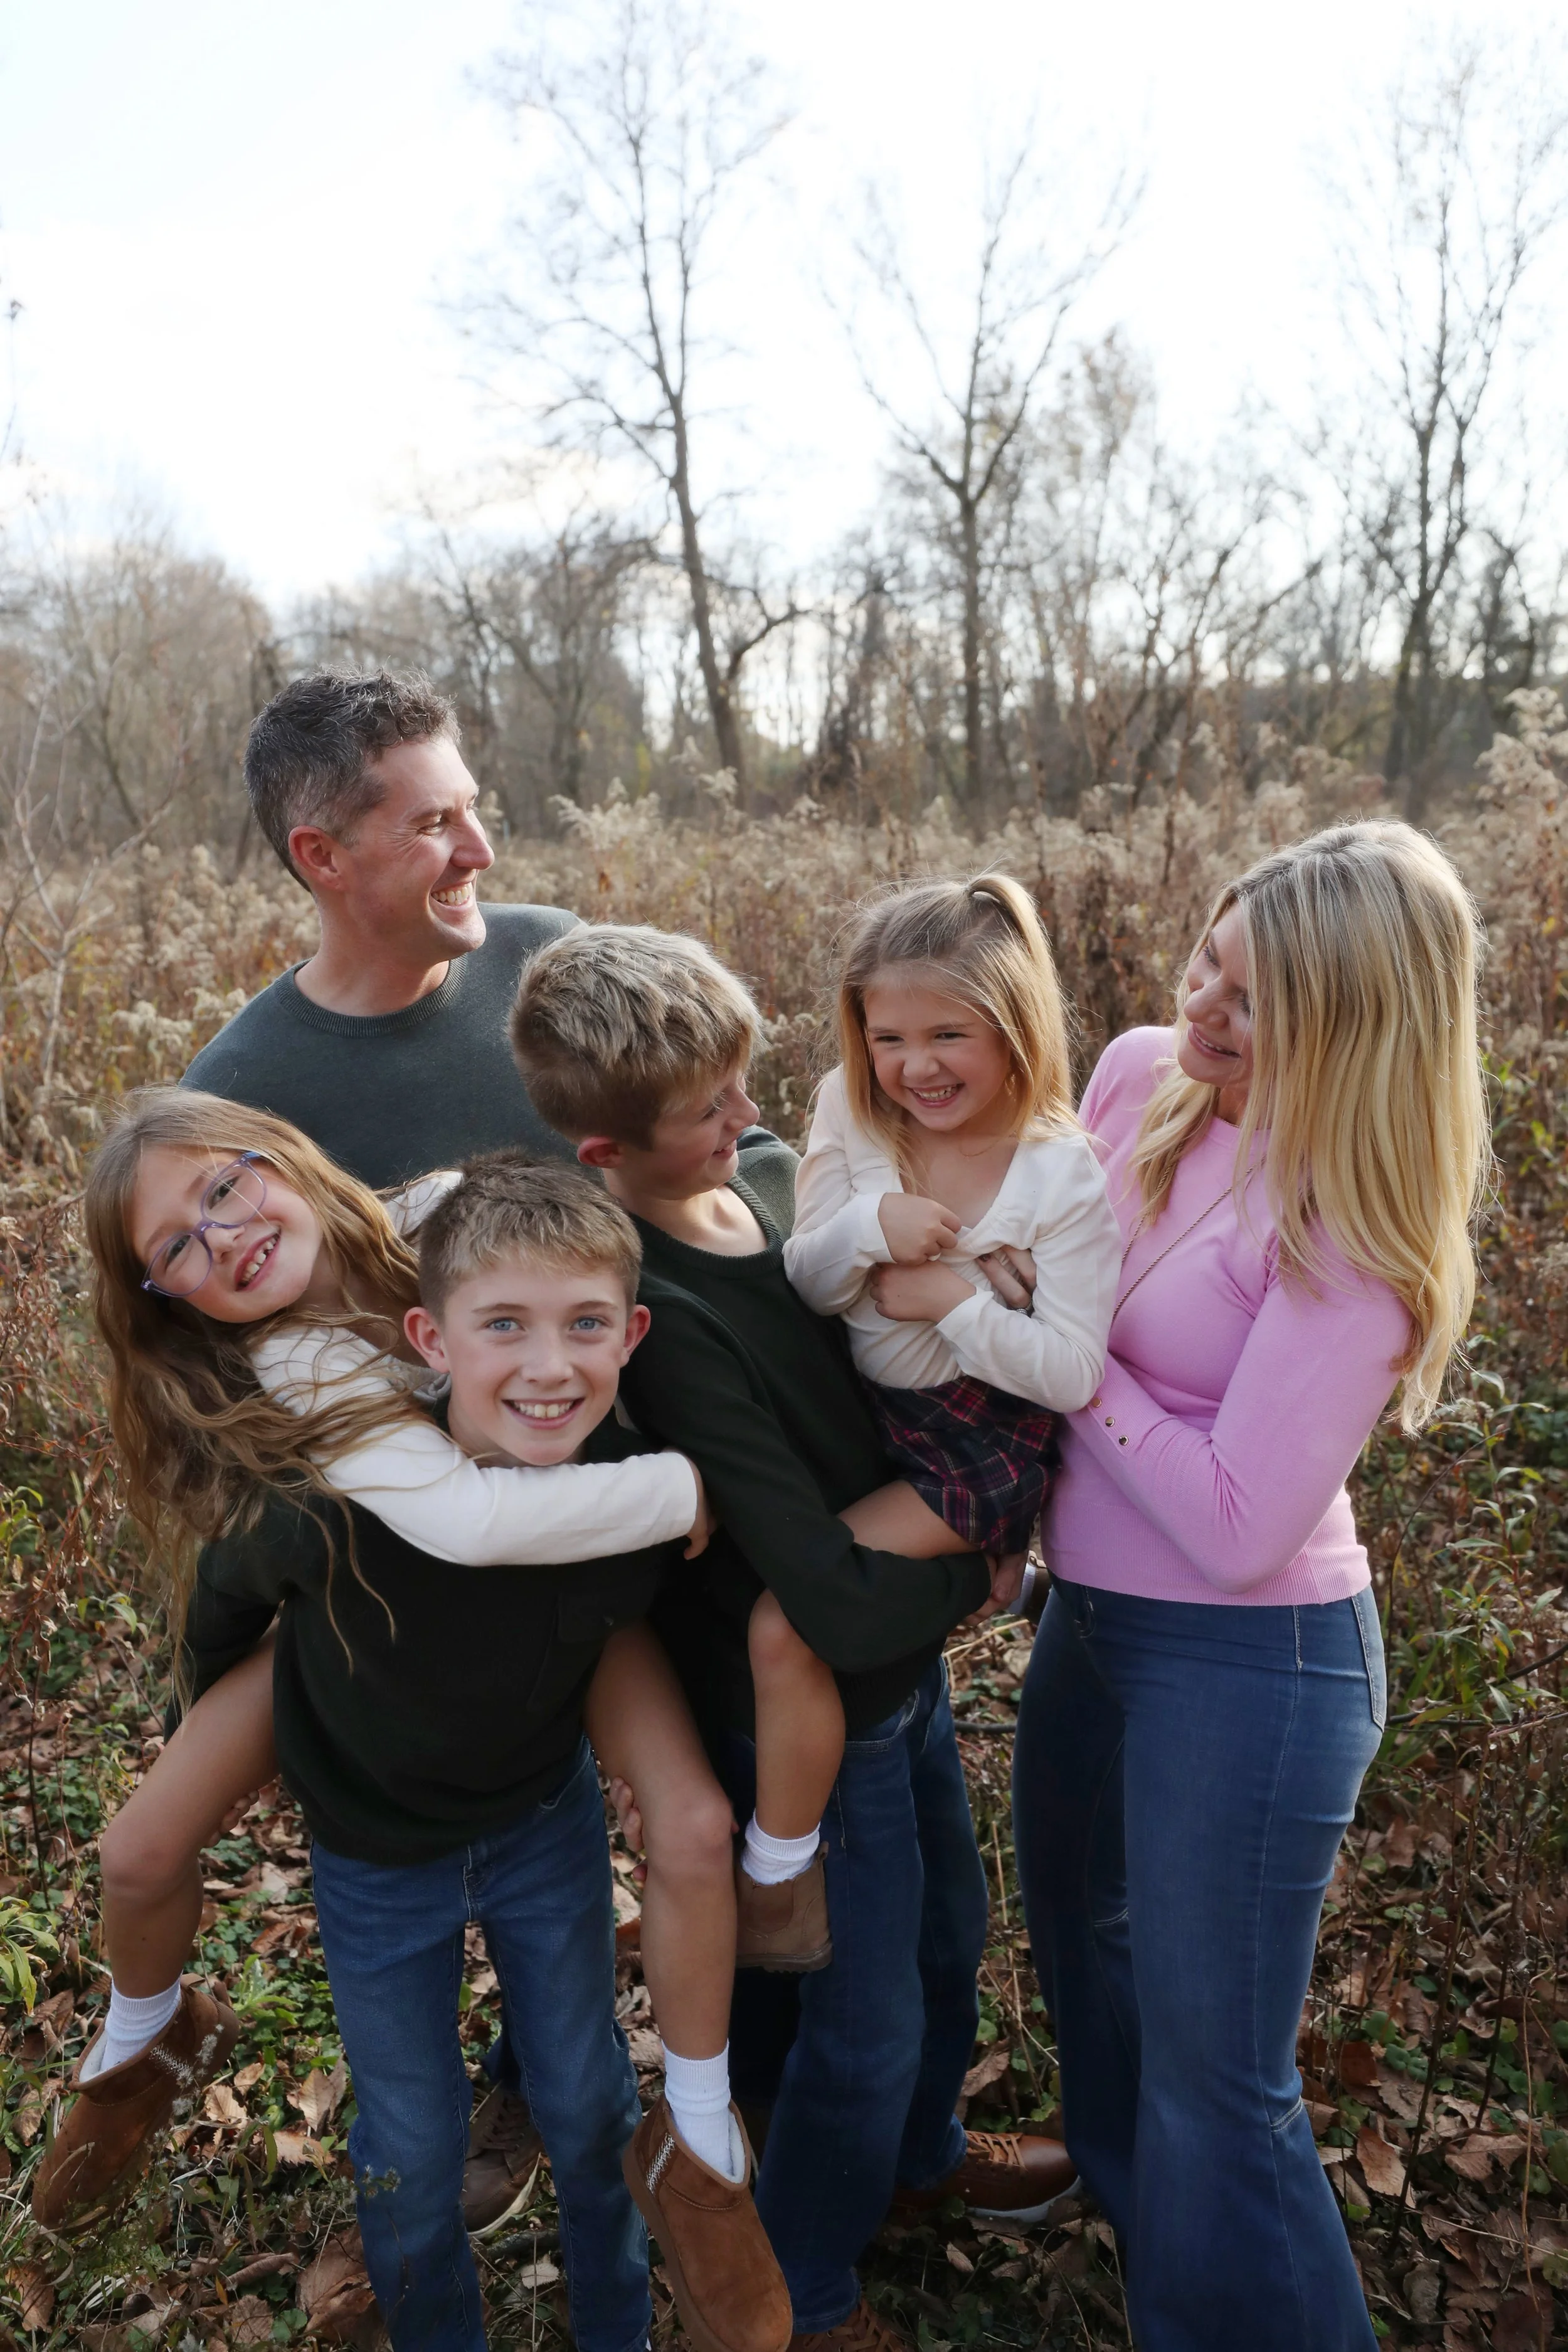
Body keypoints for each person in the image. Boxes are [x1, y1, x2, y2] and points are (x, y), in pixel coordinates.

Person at [49, 1125, 793, 2352]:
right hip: (369, 1640)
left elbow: (557, 1232)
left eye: (226, 1185)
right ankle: (142, 2046)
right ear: (159, 1292)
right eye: (175, 1242)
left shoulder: (426, 1225)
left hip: (550, 1633)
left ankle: (691, 2177)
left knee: (628, 1980)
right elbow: (463, 1517)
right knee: (147, 1864)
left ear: (280, 1156)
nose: (221, 1232)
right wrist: (684, 1490)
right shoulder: (296, 1365)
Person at [510, 923, 1079, 2352]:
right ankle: (809, 2290)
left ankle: (919, 2152)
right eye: (710, 1107)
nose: (751, 1114)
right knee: (863, 2009)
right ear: (604, 1155)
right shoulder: (667, 1310)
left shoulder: (765, 1183)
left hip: (893, 1663)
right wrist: (976, 1581)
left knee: (949, 1932)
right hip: (810, 1693)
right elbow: (811, 1585)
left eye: (745, 1078)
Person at [1010, 821, 1488, 2352]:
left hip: (1251, 1668)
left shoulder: (1353, 1223)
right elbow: (1036, 1246)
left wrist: (1066, 1369)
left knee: (1222, 2078)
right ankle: (1166, 2256)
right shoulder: (1147, 1070)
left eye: (1257, 997)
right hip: (1086, 1619)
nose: (1204, 1005)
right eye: (1212, 953)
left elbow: (1230, 1521)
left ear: (1357, 1022)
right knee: (1082, 1941)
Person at [770, 874, 1120, 1887]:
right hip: (855, 1407)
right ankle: (999, 1569)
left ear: (1016, 1027)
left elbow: (1069, 1370)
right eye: (888, 1037)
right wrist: (875, 1233)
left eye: (948, 1036)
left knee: (795, 1615)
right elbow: (813, 1280)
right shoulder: (854, 1105)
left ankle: (780, 1868)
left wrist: (945, 1301)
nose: (913, 1066)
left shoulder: (1060, 1175)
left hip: (976, 1435)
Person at [182, 667, 580, 1185]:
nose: (482, 852)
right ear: (322, 856)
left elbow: (715, 1140)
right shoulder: (233, 1102)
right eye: (434, 823)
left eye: (471, 807)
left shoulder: (558, 955)